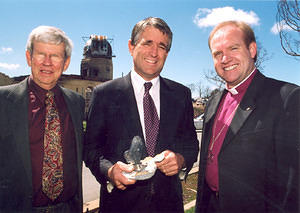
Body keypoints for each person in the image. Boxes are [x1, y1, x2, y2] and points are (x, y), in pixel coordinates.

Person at [84, 17, 199, 212]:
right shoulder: (104, 94)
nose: (154, 52)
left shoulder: (181, 95)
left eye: (162, 46)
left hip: (168, 206)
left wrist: (181, 160)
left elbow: (191, 144)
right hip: (120, 206)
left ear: (167, 53)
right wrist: (109, 171)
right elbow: (91, 148)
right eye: (147, 43)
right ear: (131, 46)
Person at [195, 20, 300, 213]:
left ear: (252, 50)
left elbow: (293, 185)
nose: (225, 58)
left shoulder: (287, 97)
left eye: (233, 48)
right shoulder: (213, 101)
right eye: (217, 54)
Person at [0, 26, 85, 212]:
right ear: (29, 57)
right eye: (41, 54)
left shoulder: (76, 103)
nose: (47, 63)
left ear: (66, 62)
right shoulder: (3, 101)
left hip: (68, 208)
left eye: (55, 56)